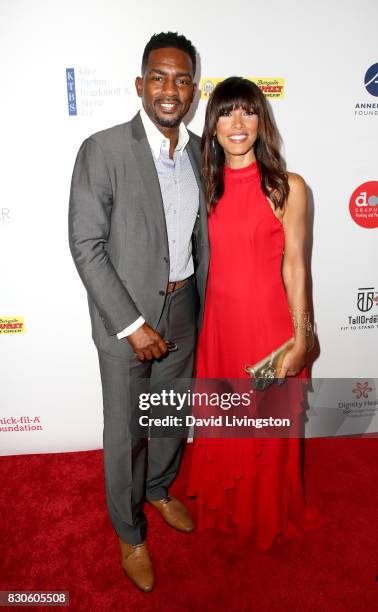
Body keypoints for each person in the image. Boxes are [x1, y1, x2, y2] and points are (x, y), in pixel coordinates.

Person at [69, 32, 209, 592]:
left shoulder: (202, 150)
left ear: (194, 90)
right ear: (139, 84)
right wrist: (131, 325)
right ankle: (130, 532)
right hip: (126, 324)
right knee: (127, 431)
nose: (169, 89)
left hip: (186, 307)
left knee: (171, 419)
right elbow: (86, 244)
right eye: (159, 77)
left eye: (181, 79)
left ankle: (159, 489)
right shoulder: (103, 149)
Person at [188, 77, 321, 549]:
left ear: (262, 121)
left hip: (268, 329)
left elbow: (296, 268)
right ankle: (231, 512)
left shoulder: (288, 188)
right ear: (213, 125)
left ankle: (266, 515)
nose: (238, 123)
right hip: (219, 331)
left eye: (248, 111)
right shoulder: (203, 188)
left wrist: (301, 338)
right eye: (226, 113)